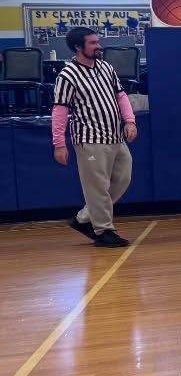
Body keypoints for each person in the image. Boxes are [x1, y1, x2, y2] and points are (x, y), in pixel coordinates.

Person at [50, 27, 138, 248]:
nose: (98, 46)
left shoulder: (106, 67)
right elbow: (60, 110)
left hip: (115, 135)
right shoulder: (67, 75)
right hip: (90, 138)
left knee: (123, 178)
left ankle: (83, 218)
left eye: (97, 42)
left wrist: (130, 121)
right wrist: (59, 143)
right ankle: (104, 230)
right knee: (96, 186)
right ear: (78, 47)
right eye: (92, 43)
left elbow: (121, 96)